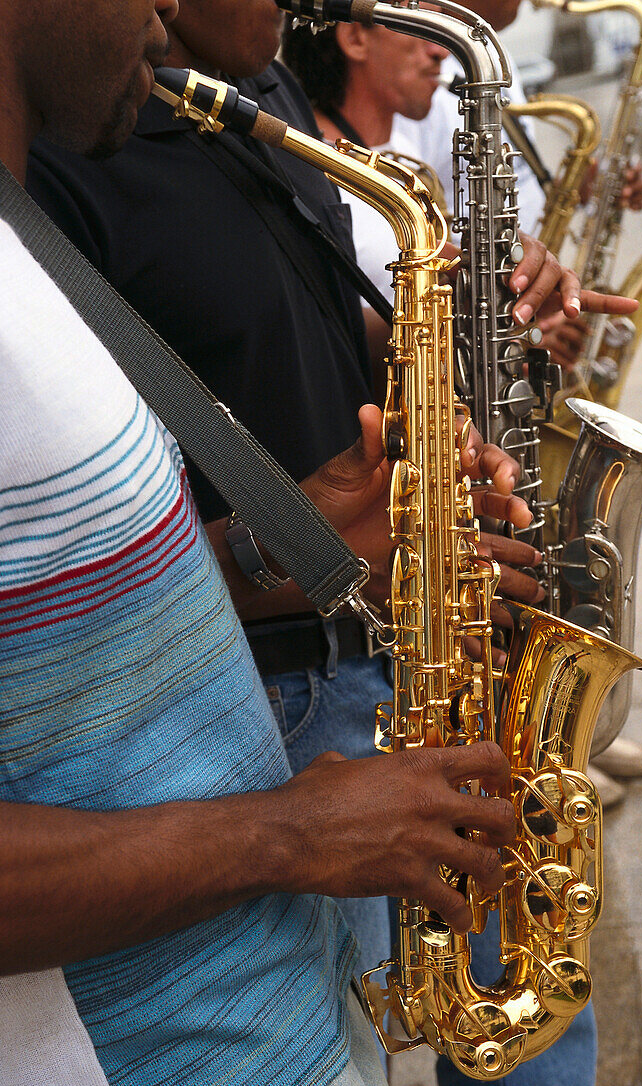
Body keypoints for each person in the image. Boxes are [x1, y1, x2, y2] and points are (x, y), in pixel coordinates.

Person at [24, 0, 610, 1006]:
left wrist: (469, 335)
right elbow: (72, 581)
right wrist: (285, 550)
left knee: (487, 964)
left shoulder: (261, 96)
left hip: (374, 636)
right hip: (257, 704)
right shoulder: (66, 159)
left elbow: (315, 326)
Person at [283, 4, 642, 811]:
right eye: (412, 33)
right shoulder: (312, 147)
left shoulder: (401, 139)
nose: (433, 54)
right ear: (350, 37)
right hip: (382, 528)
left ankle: (545, 732)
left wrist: (510, 305)